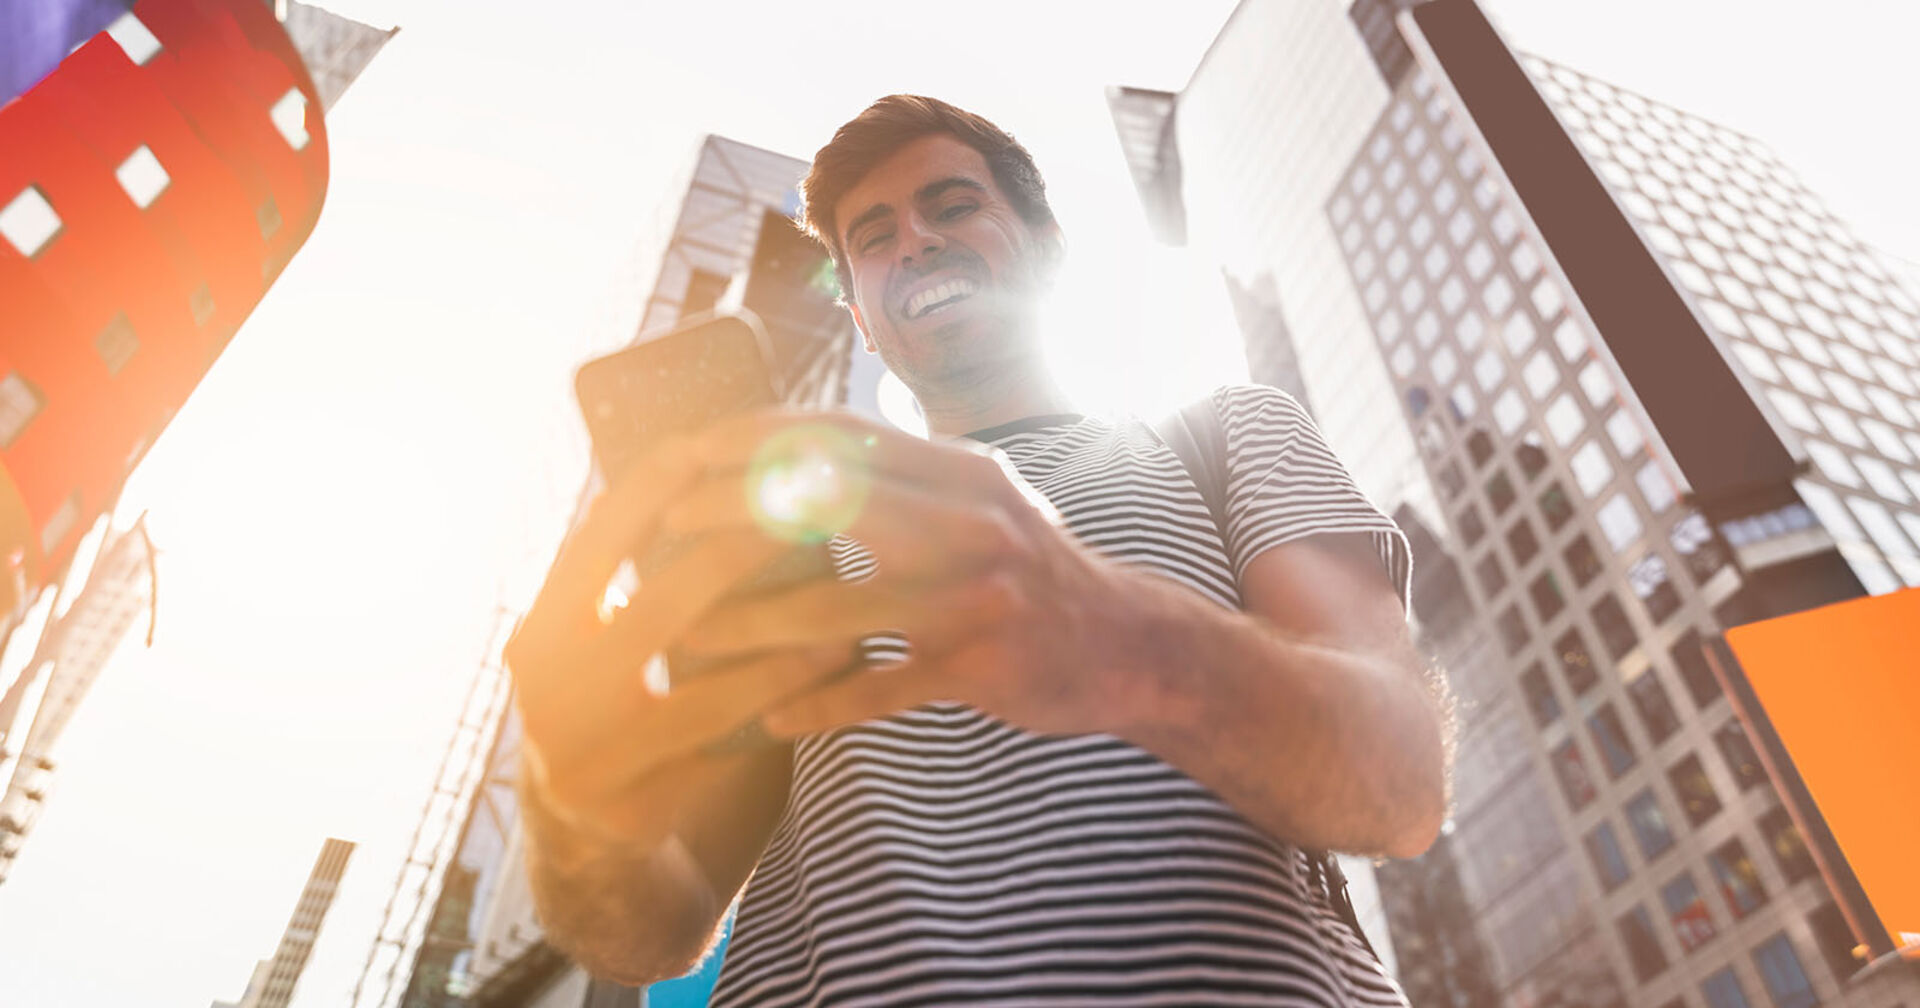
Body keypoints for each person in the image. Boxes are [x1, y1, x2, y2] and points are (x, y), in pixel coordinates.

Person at [505, 95, 1450, 1006]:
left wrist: (1119, 638)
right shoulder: (792, 540)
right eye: (871, 237)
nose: (912, 239)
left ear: (1046, 250)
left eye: (953, 206)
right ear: (862, 317)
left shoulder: (1225, 436)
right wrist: (578, 815)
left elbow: (1401, 781)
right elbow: (656, 933)